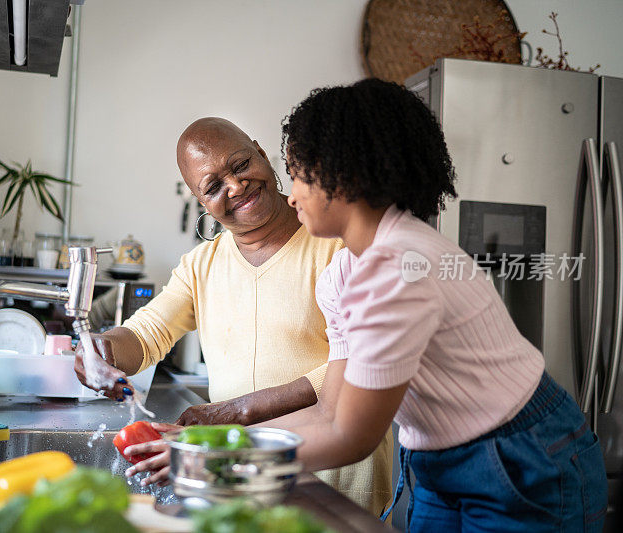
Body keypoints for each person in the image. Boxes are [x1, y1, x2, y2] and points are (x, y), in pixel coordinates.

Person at [122, 80, 608, 532]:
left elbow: (348, 434)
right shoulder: (346, 271)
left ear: (343, 177)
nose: (292, 197)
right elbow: (330, 407)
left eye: (298, 176)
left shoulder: (398, 268)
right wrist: (202, 443)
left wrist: (213, 456)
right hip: (439, 456)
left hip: (524, 456)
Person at [74, 117, 393, 515]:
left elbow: (361, 366)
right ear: (200, 201)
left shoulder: (337, 245)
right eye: (213, 187)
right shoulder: (201, 264)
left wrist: (235, 412)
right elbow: (145, 333)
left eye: (241, 165)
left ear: (261, 152)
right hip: (236, 477)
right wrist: (101, 349)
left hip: (335, 478)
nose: (236, 186)